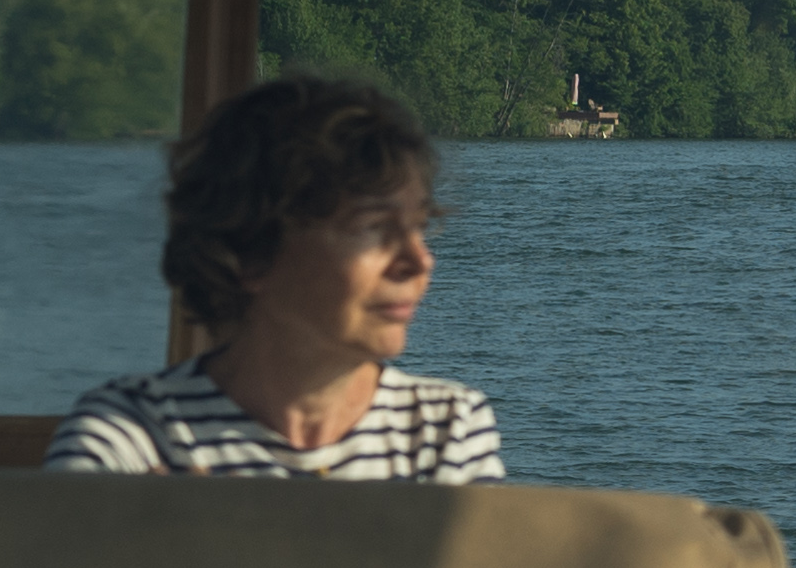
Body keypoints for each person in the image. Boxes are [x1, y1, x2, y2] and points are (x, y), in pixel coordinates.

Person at [47, 76, 505, 482]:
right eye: (373, 228)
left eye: (419, 226)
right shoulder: (128, 433)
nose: (419, 261)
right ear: (252, 253)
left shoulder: (447, 429)